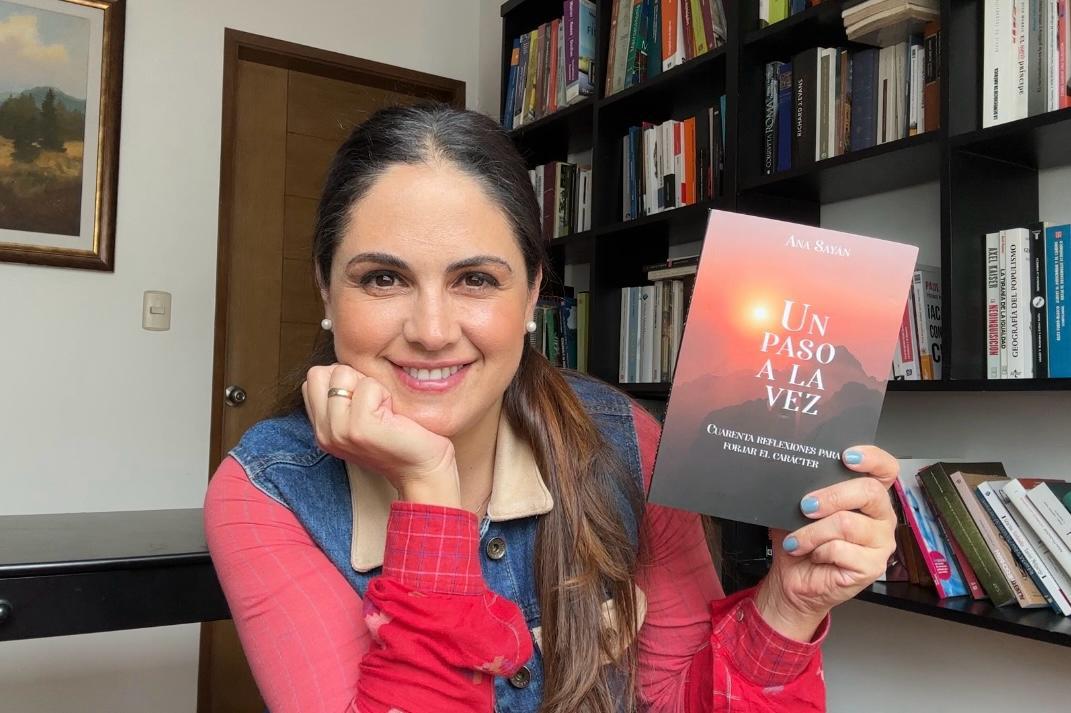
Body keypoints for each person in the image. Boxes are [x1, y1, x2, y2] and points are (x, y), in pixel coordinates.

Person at [204, 104, 899, 713]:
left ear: (533, 292)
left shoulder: (626, 443)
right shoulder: (265, 494)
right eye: (384, 278)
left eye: (476, 279)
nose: (432, 330)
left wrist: (789, 605)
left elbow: (673, 700)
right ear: (326, 290)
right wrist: (429, 495)